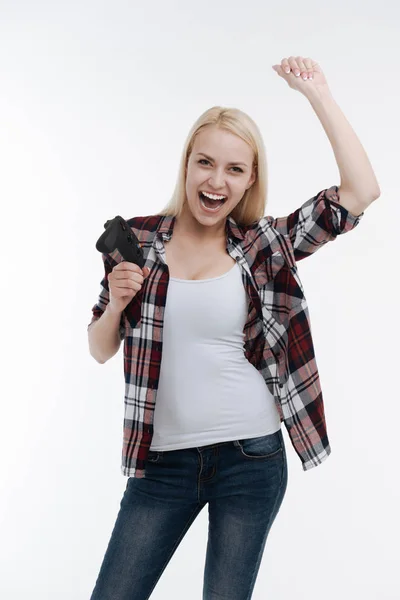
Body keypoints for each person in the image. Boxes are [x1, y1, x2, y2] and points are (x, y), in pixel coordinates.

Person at [88, 57, 380, 600]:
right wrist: (115, 306)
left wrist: (318, 95)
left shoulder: (264, 244)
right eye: (205, 163)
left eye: (235, 169)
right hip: (162, 466)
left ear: (249, 181)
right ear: (186, 166)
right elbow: (101, 348)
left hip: (251, 459)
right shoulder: (138, 239)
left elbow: (361, 192)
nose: (216, 180)